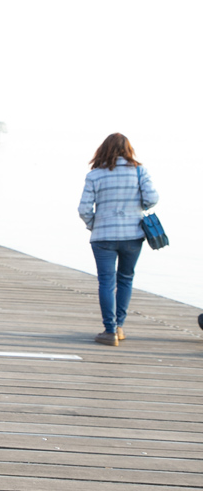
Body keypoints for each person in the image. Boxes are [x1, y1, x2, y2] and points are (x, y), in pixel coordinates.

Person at [78, 133, 159, 346]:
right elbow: (152, 199)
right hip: (132, 235)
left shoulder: (95, 175)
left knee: (106, 281)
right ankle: (120, 327)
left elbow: (84, 209)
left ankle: (110, 330)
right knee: (125, 278)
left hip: (103, 235)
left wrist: (93, 224)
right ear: (128, 149)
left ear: (103, 149)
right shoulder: (140, 172)